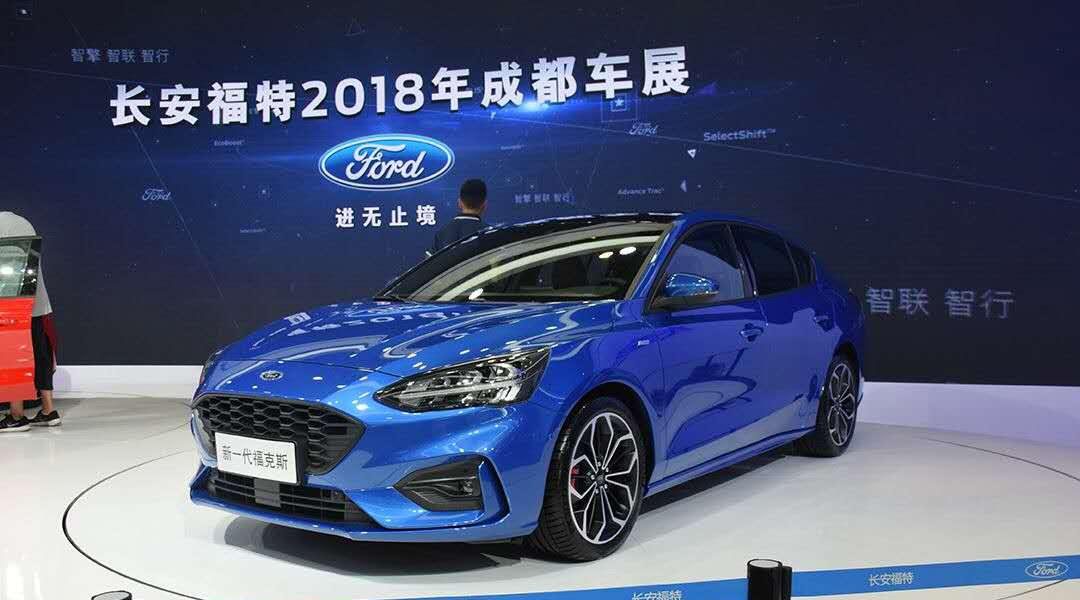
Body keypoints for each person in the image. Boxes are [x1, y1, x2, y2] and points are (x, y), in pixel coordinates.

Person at [0, 211, 60, 432]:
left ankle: (17, 416)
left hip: (12, 304)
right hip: (38, 304)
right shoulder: (22, 221)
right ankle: (48, 410)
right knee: (40, 355)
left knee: (13, 355)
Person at [428, 178, 488, 256]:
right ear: (484, 205)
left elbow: (430, 262)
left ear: (459, 203)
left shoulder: (442, 233)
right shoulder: (490, 235)